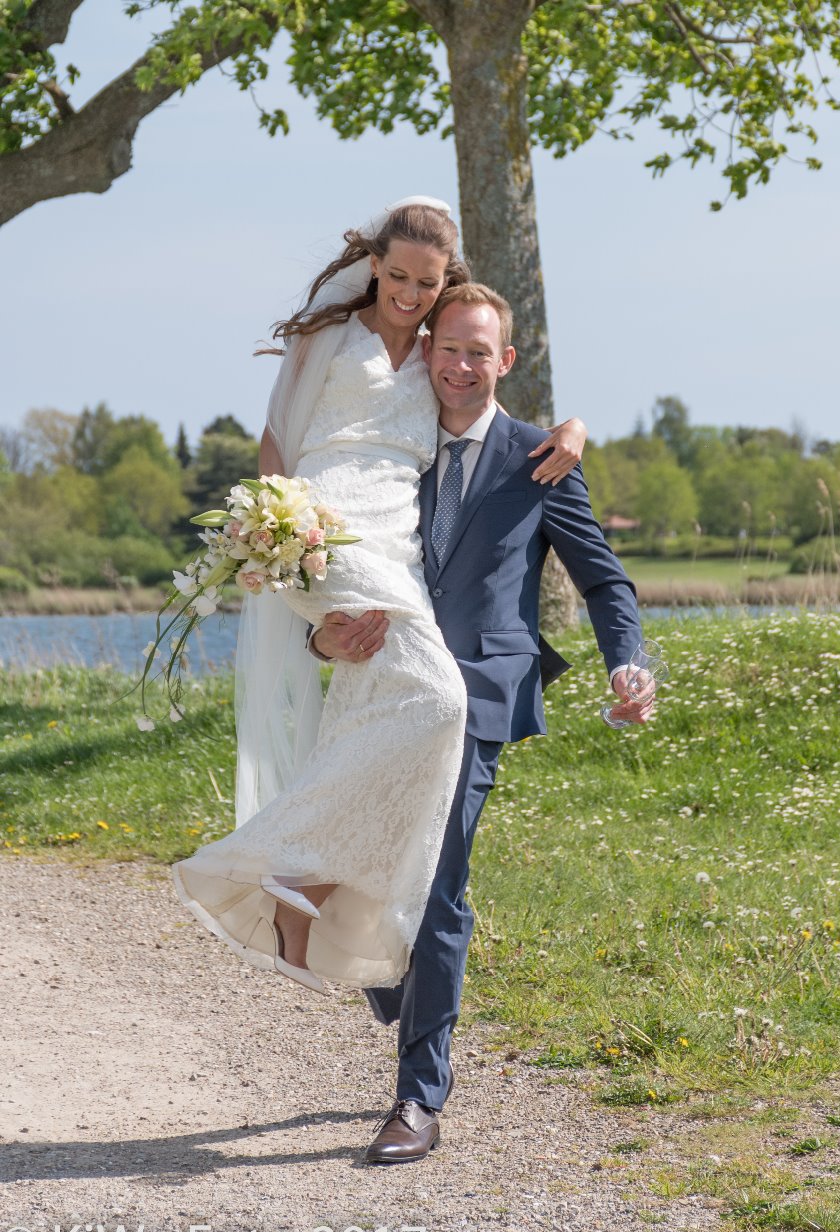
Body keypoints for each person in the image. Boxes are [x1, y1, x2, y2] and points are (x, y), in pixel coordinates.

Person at [170, 198, 586, 997]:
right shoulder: (329, 337)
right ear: (374, 265)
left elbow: (491, 410)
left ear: (443, 282)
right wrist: (276, 530)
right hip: (326, 530)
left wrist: (571, 428)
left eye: (425, 283)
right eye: (397, 276)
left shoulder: (435, 353)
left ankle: (306, 899)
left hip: (398, 545)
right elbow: (275, 437)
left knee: (370, 710)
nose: (408, 293)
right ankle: (282, 865)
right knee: (440, 701)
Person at [311, 282, 654, 1164]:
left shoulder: (540, 459)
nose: (460, 366)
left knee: (439, 882)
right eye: (448, 348)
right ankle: (397, 979)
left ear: (505, 361)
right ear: (426, 351)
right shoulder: (387, 446)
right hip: (384, 690)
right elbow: (331, 575)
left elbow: (603, 580)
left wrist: (627, 660)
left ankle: (417, 1099)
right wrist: (321, 636)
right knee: (351, 865)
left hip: (481, 696)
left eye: (478, 352)